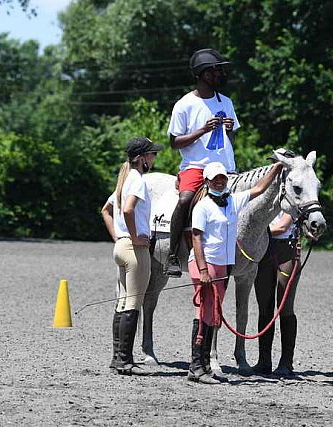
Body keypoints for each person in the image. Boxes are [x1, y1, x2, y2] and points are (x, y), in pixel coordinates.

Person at [187, 160, 283, 384]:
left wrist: (276, 169)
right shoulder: (202, 206)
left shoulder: (232, 201)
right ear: (207, 182)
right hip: (205, 263)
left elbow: (259, 189)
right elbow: (196, 237)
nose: (220, 182)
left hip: (221, 265)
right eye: (215, 180)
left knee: (212, 314)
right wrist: (203, 269)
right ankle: (196, 366)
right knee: (205, 313)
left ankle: (202, 366)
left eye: (222, 179)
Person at [164, 48, 240, 278]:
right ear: (203, 74)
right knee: (186, 199)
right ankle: (172, 255)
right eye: (216, 70)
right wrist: (201, 131)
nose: (220, 74)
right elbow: (174, 142)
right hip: (196, 166)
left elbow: (233, 137)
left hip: (226, 167)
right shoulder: (184, 104)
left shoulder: (225, 102)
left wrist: (228, 130)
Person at [101, 137, 163, 375]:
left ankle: (118, 357)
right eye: (152, 154)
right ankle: (125, 360)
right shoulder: (137, 179)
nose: (154, 158)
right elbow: (128, 209)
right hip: (134, 250)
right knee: (134, 302)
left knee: (123, 301)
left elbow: (106, 210)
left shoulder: (125, 179)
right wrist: (135, 237)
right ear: (141, 158)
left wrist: (119, 236)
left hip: (121, 247)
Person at [252, 212, 300, 378]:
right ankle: (264, 361)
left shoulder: (290, 196)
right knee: (264, 306)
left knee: (285, 306)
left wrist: (251, 234)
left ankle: (286, 362)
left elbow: (282, 226)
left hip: (286, 250)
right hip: (264, 249)